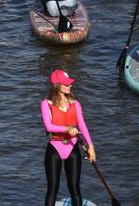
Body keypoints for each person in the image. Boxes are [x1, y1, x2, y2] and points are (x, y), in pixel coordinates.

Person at [41, 69, 95, 206]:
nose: (70, 86)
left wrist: (91, 147)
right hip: (54, 149)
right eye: (66, 84)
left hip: (73, 149)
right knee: (53, 189)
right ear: (57, 86)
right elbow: (49, 127)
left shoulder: (75, 104)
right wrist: (67, 128)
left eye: (70, 83)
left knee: (75, 189)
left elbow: (82, 125)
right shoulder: (46, 104)